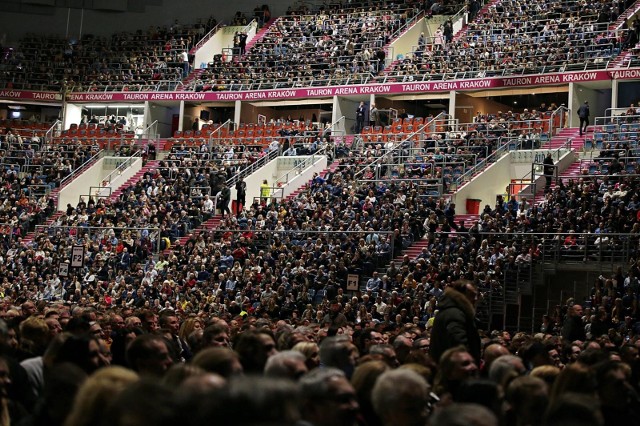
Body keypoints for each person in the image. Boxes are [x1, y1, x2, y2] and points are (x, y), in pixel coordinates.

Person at [429, 280, 481, 364]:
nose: (475, 299)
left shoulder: (450, 310)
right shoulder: (455, 314)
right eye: (472, 295)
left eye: (476, 295)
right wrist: (469, 364)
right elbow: (459, 342)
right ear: (460, 295)